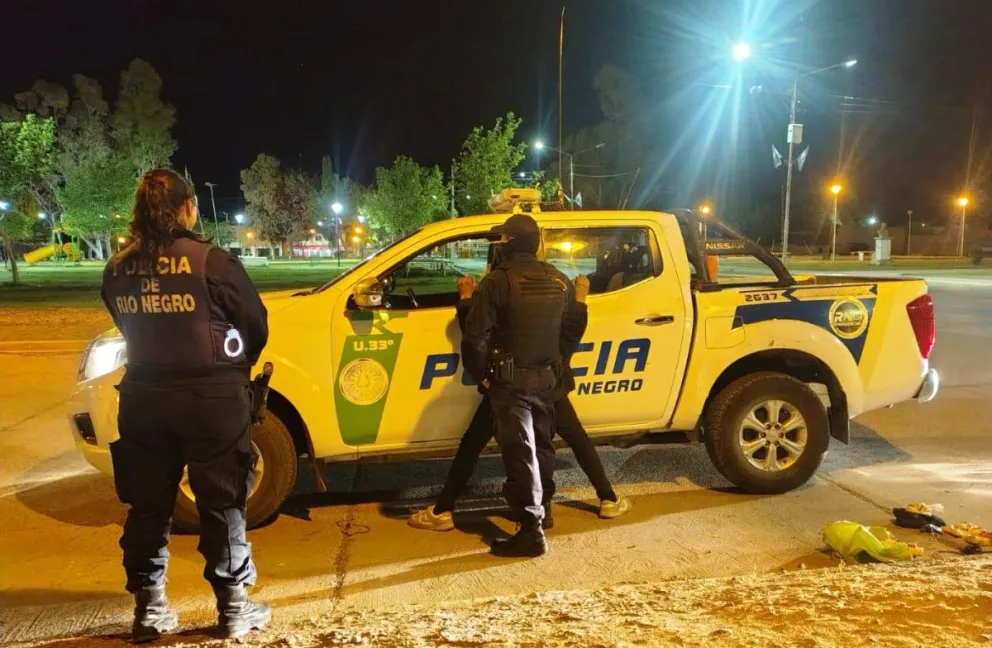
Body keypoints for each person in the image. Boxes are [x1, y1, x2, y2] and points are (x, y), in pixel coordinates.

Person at [99, 168, 271, 642]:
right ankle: (233, 609)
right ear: (188, 207)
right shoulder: (212, 262)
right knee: (222, 504)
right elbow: (254, 324)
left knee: (147, 507)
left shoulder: (117, 268)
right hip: (212, 401)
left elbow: (121, 321)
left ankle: (149, 610)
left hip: (143, 399)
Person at [409, 270, 631, 533]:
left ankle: (443, 510)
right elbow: (571, 333)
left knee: (473, 445)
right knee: (575, 439)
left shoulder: (502, 295)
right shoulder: (549, 292)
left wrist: (467, 297)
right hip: (549, 385)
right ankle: (607, 498)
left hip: (506, 387)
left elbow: (476, 331)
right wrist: (581, 298)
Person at [459, 213, 575, 558]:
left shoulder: (497, 282)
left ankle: (531, 533)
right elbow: (569, 331)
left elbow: (475, 336)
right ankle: (545, 510)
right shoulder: (559, 279)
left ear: (508, 242)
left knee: (520, 452)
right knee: (542, 448)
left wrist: (480, 373)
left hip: (512, 383)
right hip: (547, 379)